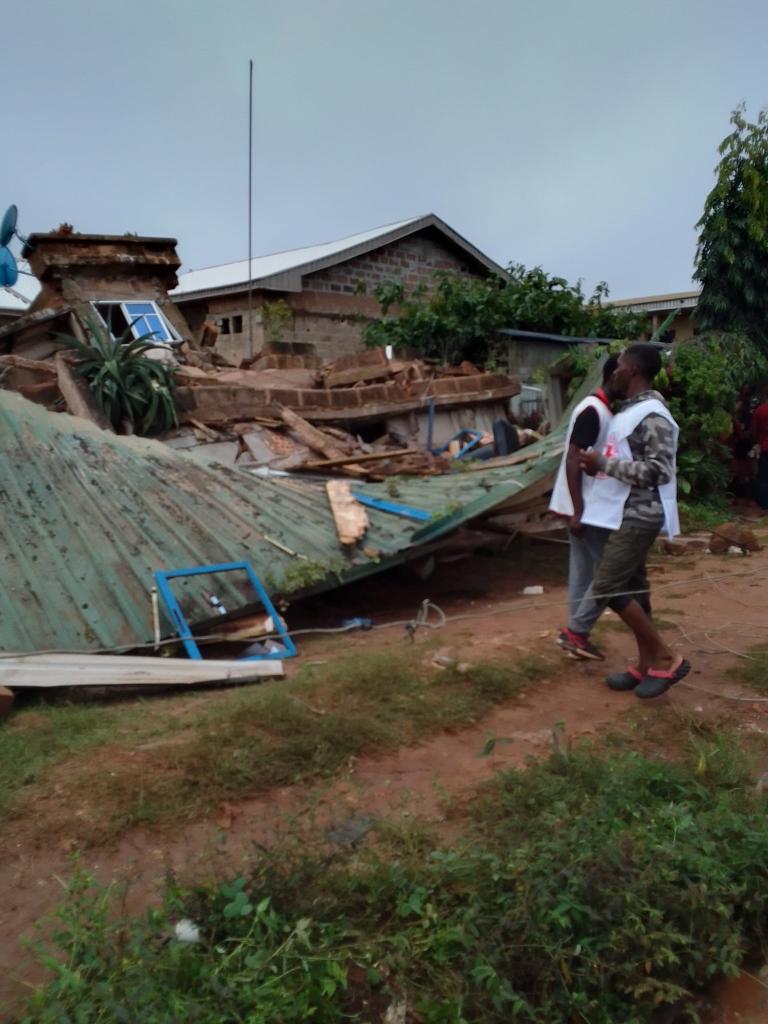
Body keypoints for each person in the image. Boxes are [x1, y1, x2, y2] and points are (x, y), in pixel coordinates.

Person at [576, 343, 690, 699]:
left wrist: (602, 465)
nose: (615, 372)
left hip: (642, 513)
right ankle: (645, 666)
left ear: (634, 372)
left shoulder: (653, 415)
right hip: (624, 512)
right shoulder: (631, 411)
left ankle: (667, 657)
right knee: (637, 592)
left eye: (621, 366)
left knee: (607, 585)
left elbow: (659, 470)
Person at [549, 354, 620, 660]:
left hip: (580, 504)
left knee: (582, 571)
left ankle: (575, 634)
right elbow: (573, 459)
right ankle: (577, 631)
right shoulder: (593, 410)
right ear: (614, 375)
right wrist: (578, 511)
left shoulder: (600, 409)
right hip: (584, 507)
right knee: (610, 573)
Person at [751, 385, 768, 512]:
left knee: (763, 477)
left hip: (765, 447)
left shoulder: (760, 410)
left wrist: (759, 440)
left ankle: (764, 505)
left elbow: (754, 431)